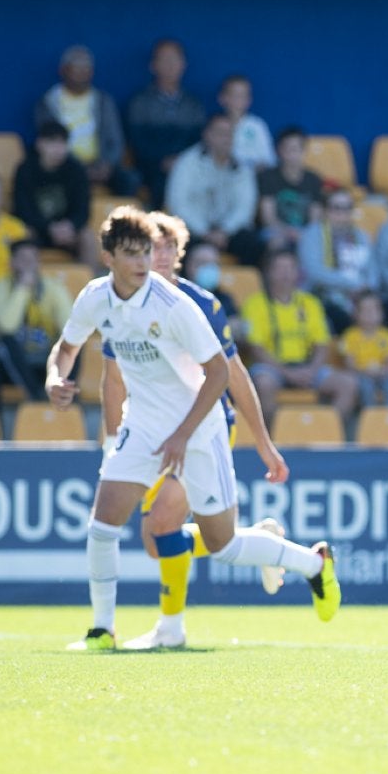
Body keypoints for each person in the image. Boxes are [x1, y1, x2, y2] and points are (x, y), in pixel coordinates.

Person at [46, 207, 338, 651]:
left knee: (222, 546)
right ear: (107, 257)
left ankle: (313, 565)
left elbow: (221, 374)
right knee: (104, 526)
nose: (144, 262)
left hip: (200, 429)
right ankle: (102, 629)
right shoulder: (94, 298)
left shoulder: (177, 305)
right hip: (143, 426)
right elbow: (66, 349)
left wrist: (189, 436)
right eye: (132, 253)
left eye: (148, 251)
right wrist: (55, 378)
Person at [100, 211, 292, 649]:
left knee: (166, 520)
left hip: (202, 429)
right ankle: (258, 542)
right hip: (151, 430)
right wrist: (115, 442)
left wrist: (263, 442)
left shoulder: (200, 304)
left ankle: (171, 628)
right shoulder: (123, 304)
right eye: (154, 247)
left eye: (169, 247)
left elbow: (234, 373)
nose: (161, 255)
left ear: (178, 254)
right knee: (155, 541)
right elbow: (112, 381)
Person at [242, 248, 358, 423]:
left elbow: (322, 343)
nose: (286, 274)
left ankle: (326, 432)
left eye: (290, 268)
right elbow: (256, 349)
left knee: (348, 384)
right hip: (272, 368)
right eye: (279, 268)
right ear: (269, 273)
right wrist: (287, 373)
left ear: (298, 272)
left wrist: (312, 370)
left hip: (307, 366)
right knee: (263, 384)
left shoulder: (310, 303)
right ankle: (274, 440)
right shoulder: (254, 304)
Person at [33, 44, 137, 196]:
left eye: (86, 68)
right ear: (63, 70)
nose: (82, 73)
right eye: (77, 68)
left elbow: (115, 141)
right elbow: (49, 144)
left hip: (102, 166)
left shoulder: (103, 102)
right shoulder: (47, 103)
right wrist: (80, 168)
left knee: (129, 179)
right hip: (65, 166)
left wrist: (106, 165)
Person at [125, 39, 206, 208]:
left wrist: (180, 161)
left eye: (175, 59)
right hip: (151, 168)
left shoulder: (194, 104)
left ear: (183, 65)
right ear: (153, 65)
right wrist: (163, 161)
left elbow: (200, 141)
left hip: (188, 167)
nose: (170, 65)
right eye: (164, 59)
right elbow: (137, 141)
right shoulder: (140, 102)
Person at [165, 115, 258, 261]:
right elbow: (178, 204)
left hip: (228, 232)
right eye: (221, 133)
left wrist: (225, 231)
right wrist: (204, 232)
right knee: (179, 243)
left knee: (253, 243)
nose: (227, 139)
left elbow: (245, 207)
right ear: (207, 135)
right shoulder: (187, 162)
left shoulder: (242, 167)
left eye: (230, 134)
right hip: (194, 231)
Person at [297, 187, 379, 333]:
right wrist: (352, 285)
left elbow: (372, 269)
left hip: (359, 296)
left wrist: (367, 288)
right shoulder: (312, 234)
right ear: (325, 210)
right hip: (323, 295)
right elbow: (314, 272)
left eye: (347, 208)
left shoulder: (361, 235)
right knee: (340, 318)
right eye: (337, 208)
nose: (342, 214)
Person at [0, 239, 72, 398]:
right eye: (23, 259)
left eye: (33, 259)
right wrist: (23, 288)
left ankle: (66, 396)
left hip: (47, 358)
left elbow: (70, 327)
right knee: (6, 342)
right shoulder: (2, 287)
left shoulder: (53, 288)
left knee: (73, 342)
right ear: (12, 263)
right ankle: (36, 398)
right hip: (14, 363)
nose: (29, 265)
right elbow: (7, 327)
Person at [13, 120, 94, 265]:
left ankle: (91, 283)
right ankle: (31, 282)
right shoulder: (25, 169)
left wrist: (71, 225)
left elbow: (83, 209)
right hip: (38, 229)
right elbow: (23, 210)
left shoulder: (76, 169)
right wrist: (49, 228)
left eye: (63, 143)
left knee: (87, 236)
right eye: (52, 142)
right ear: (39, 144)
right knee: (24, 232)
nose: (58, 148)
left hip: (67, 231)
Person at [255, 125, 325, 267]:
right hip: (275, 230)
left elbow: (315, 218)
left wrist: (303, 235)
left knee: (314, 242)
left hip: (304, 232)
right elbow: (267, 217)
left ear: (304, 151)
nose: (292, 155)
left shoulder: (313, 179)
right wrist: (287, 232)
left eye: (296, 149)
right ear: (279, 151)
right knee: (276, 241)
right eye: (287, 149)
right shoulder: (268, 177)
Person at [340, 290, 388, 407]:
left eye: (374, 309)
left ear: (381, 313)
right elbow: (349, 364)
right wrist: (365, 372)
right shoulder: (350, 336)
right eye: (365, 310)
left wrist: (383, 372)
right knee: (366, 386)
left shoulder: (386, 335)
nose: (370, 314)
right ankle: (369, 419)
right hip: (360, 375)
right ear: (356, 313)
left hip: (382, 375)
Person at [218, 75, 276, 171]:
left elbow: (269, 160)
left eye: (242, 96)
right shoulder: (215, 126)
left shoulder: (257, 125)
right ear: (222, 98)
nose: (237, 101)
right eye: (233, 95)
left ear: (249, 100)